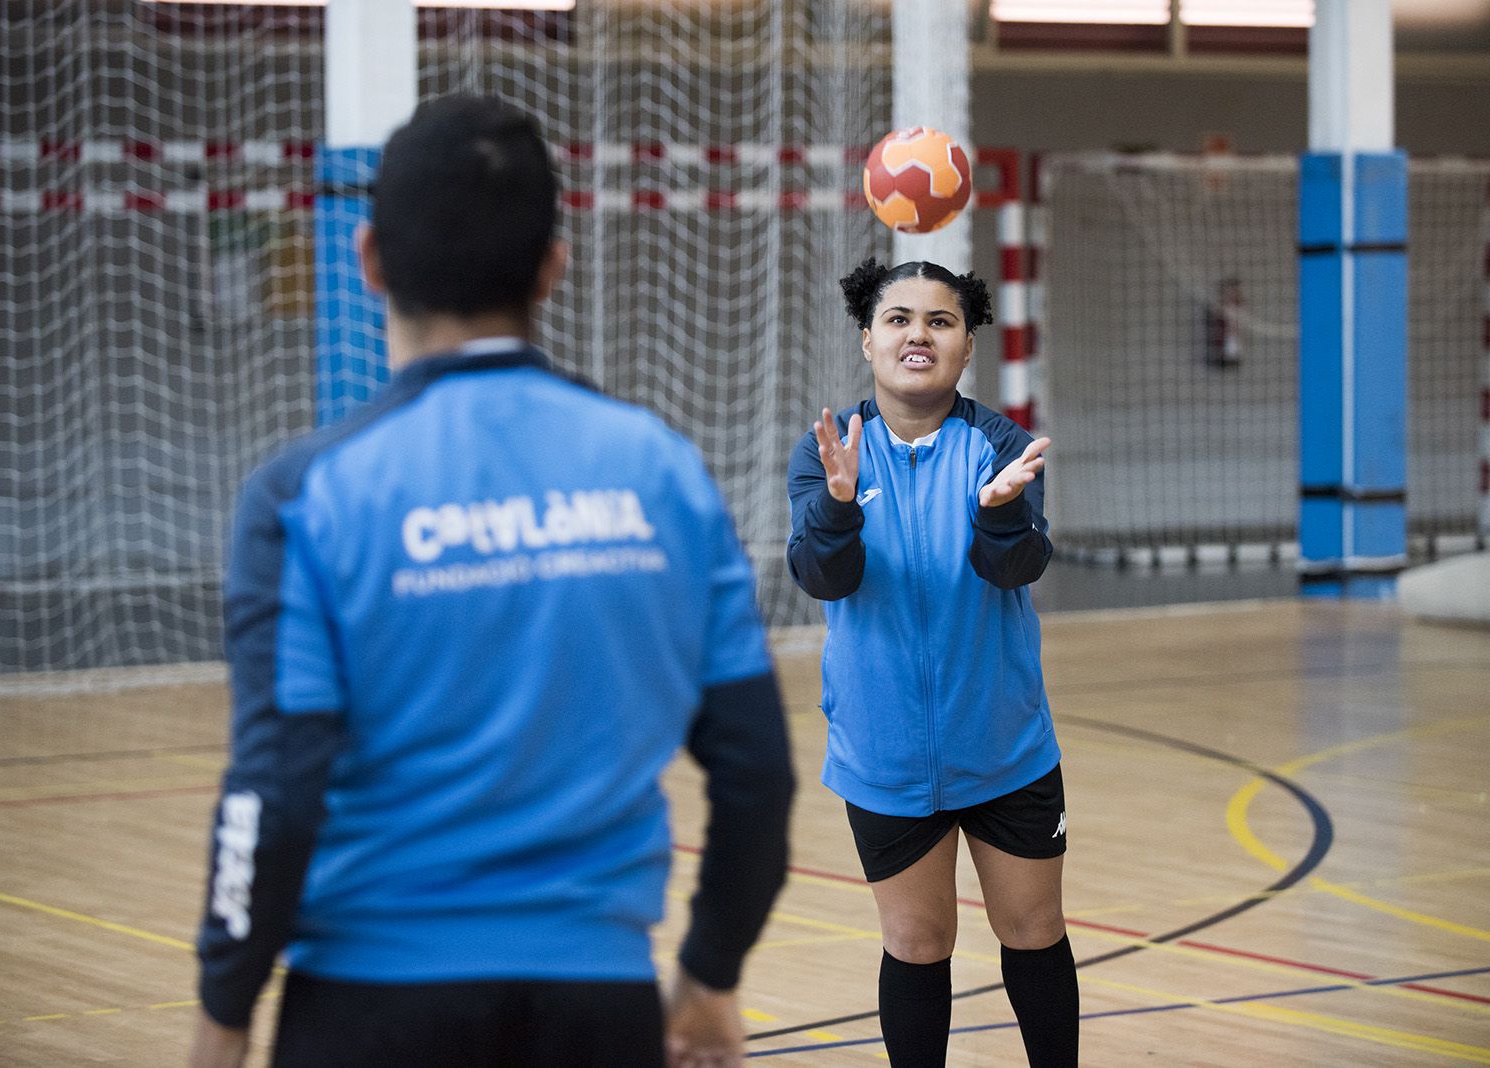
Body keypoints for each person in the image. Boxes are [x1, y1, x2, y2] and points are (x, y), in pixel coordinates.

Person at [189, 94, 795, 1068]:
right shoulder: (662, 472)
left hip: (369, 1010)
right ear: (554, 267)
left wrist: (224, 1011)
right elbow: (757, 771)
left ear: (369, 260)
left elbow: (275, 793)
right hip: (596, 1010)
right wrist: (710, 975)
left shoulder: (305, 497)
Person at [786, 257, 1076, 1067]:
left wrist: (1001, 510)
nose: (919, 334)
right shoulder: (828, 452)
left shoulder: (1000, 445)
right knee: (916, 942)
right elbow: (821, 577)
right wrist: (838, 508)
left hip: (1005, 748)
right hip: (884, 754)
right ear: (868, 339)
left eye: (940, 321)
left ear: (967, 344)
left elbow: (1016, 570)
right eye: (900, 319)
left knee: (1034, 931)